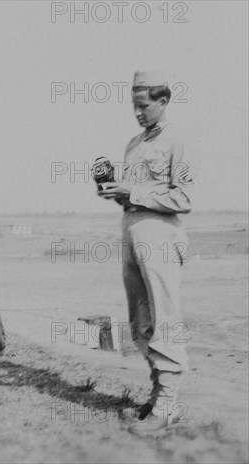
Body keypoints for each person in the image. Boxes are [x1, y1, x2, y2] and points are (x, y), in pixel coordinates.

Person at [97, 71, 193, 435]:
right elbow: (134, 193)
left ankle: (167, 407)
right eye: (134, 106)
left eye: (144, 105)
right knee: (141, 322)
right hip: (132, 230)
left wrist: (133, 193)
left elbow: (182, 199)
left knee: (165, 320)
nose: (138, 113)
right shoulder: (134, 143)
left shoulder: (178, 141)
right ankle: (156, 398)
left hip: (161, 237)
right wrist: (118, 192)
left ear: (163, 100)